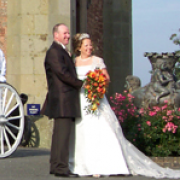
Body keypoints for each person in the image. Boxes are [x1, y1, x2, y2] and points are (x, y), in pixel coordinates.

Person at [70, 33, 180, 178]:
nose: (90, 47)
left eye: (90, 45)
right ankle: (82, 164)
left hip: (96, 99)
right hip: (81, 99)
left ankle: (105, 164)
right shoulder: (74, 62)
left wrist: (96, 83)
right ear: (79, 48)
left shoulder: (97, 60)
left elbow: (106, 78)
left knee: (101, 130)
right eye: (86, 45)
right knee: (82, 131)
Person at [43, 23, 83, 178]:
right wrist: (81, 84)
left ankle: (56, 165)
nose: (67, 36)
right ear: (56, 35)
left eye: (68, 33)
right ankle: (61, 167)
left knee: (60, 135)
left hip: (63, 99)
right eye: (64, 33)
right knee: (63, 135)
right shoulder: (54, 52)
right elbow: (62, 73)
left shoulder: (61, 51)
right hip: (63, 99)